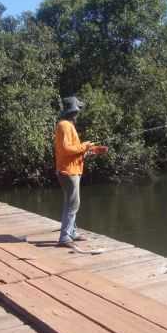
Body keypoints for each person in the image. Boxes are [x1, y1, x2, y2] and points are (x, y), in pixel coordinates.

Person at [54, 96, 107, 248]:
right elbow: (66, 150)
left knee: (71, 202)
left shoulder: (67, 125)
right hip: (68, 172)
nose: (78, 113)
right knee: (72, 204)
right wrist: (85, 146)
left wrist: (95, 150)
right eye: (78, 110)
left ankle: (72, 232)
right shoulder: (64, 125)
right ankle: (65, 237)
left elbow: (75, 152)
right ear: (73, 111)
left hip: (71, 170)